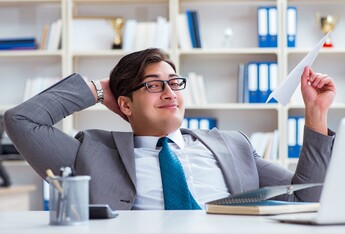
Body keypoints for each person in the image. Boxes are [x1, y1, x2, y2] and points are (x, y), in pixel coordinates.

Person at [4, 48, 336, 210]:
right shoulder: (90, 152)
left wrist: (315, 113)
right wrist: (101, 88)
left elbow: (308, 198)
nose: (169, 92)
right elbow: (21, 120)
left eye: (174, 82)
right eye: (153, 85)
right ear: (125, 105)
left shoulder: (233, 144)